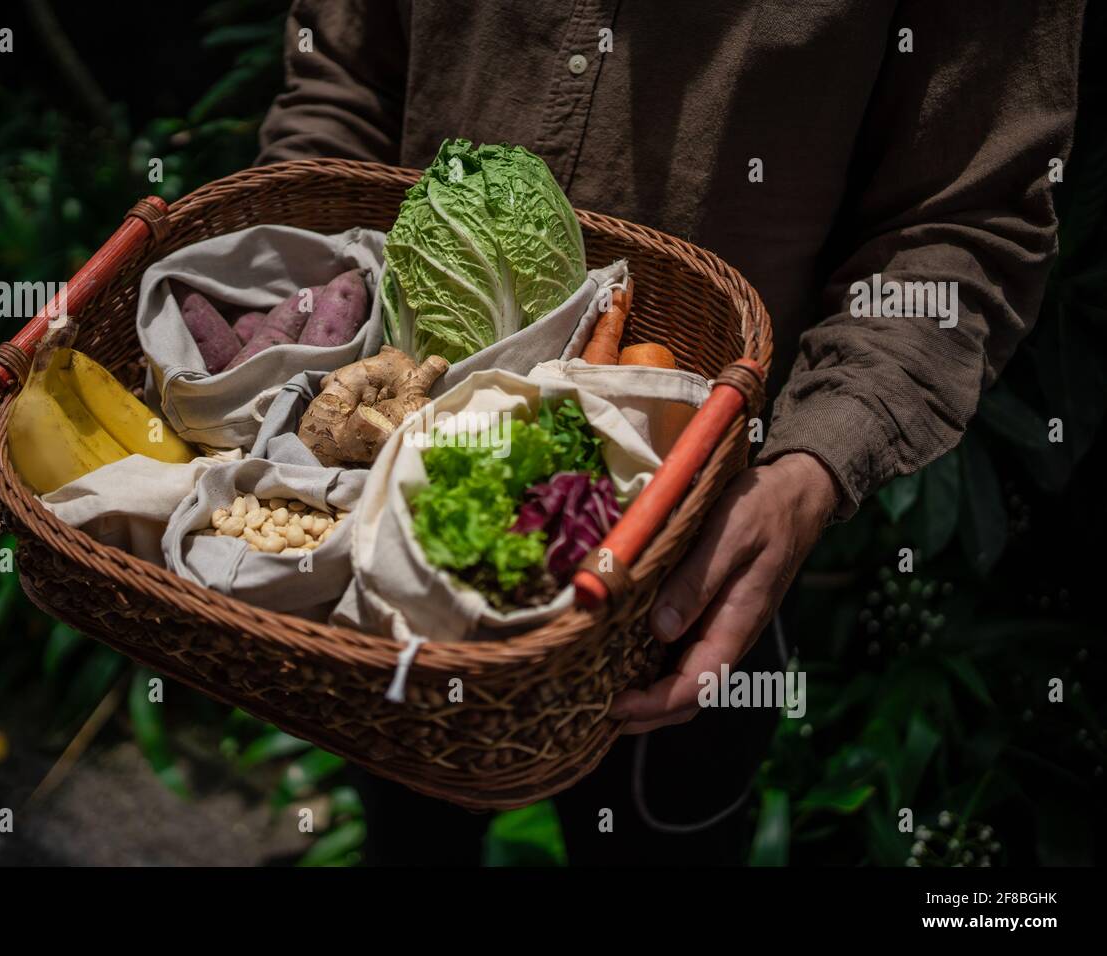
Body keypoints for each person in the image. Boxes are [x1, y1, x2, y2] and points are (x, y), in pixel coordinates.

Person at [254, 0, 1084, 865]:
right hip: (377, 490)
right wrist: (300, 287)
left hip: (704, 525)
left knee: (660, 837)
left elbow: (964, 217)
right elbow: (343, 71)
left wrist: (809, 473)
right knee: (410, 832)